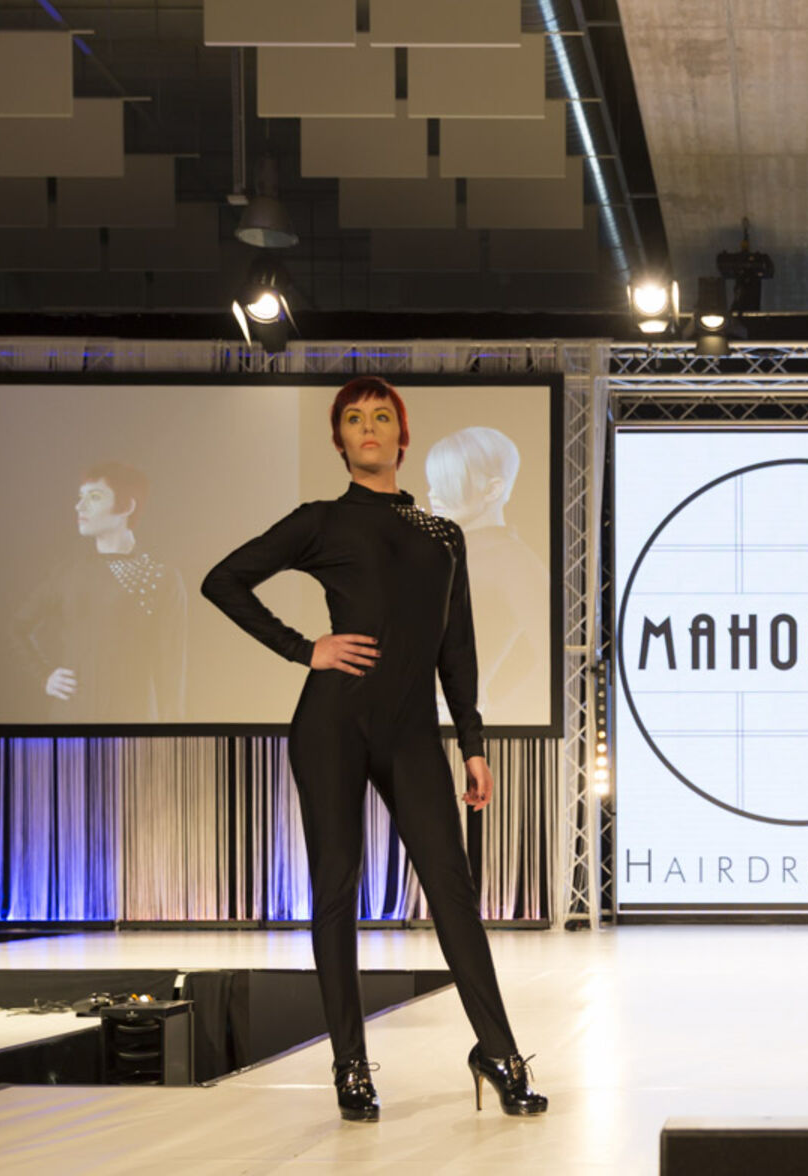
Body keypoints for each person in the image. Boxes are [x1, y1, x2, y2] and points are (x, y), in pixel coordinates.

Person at [201, 377, 546, 1123]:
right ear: (340, 441)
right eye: (354, 418)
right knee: (336, 890)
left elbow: (457, 648)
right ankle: (350, 1067)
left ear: (401, 437)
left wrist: (473, 744)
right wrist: (304, 648)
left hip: (414, 732)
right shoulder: (321, 521)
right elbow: (221, 581)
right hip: (332, 725)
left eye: (381, 416)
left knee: (452, 892)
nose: (368, 427)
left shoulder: (443, 535)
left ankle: (499, 1054)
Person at [8, 462, 187, 722]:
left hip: (132, 726)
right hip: (69, 724)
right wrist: (44, 675)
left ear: (127, 506)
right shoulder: (68, 573)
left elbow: (171, 672)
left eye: (94, 497)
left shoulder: (161, 578)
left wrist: (172, 734)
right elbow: (18, 627)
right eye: (80, 497)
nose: (79, 507)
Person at [424, 426, 550, 725]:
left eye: (448, 483)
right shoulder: (442, 553)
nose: (433, 494)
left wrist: (491, 715)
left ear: (493, 489)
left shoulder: (512, 561)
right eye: (433, 482)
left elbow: (555, 660)